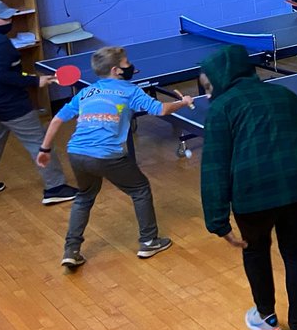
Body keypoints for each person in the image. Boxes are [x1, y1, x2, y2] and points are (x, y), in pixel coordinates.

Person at [198, 43, 297, 330]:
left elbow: (214, 166)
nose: (208, 93)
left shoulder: (220, 109)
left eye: (209, 85)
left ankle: (266, 317)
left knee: (255, 251)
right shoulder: (285, 95)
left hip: (250, 199)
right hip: (293, 191)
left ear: (222, 77)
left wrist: (217, 221)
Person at [38, 46, 191, 269]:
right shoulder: (130, 90)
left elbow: (56, 120)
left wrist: (44, 150)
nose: (130, 66)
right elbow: (161, 110)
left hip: (77, 153)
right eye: (126, 63)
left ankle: (71, 250)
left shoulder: (86, 92)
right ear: (116, 70)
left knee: (84, 197)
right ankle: (149, 241)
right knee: (140, 189)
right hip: (106, 154)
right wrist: (183, 102)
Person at [0, 0, 77, 205]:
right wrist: (35, 81)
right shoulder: (0, 43)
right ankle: (55, 188)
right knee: (39, 143)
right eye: (3, 18)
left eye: (9, 16)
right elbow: (1, 75)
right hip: (10, 105)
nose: (9, 20)